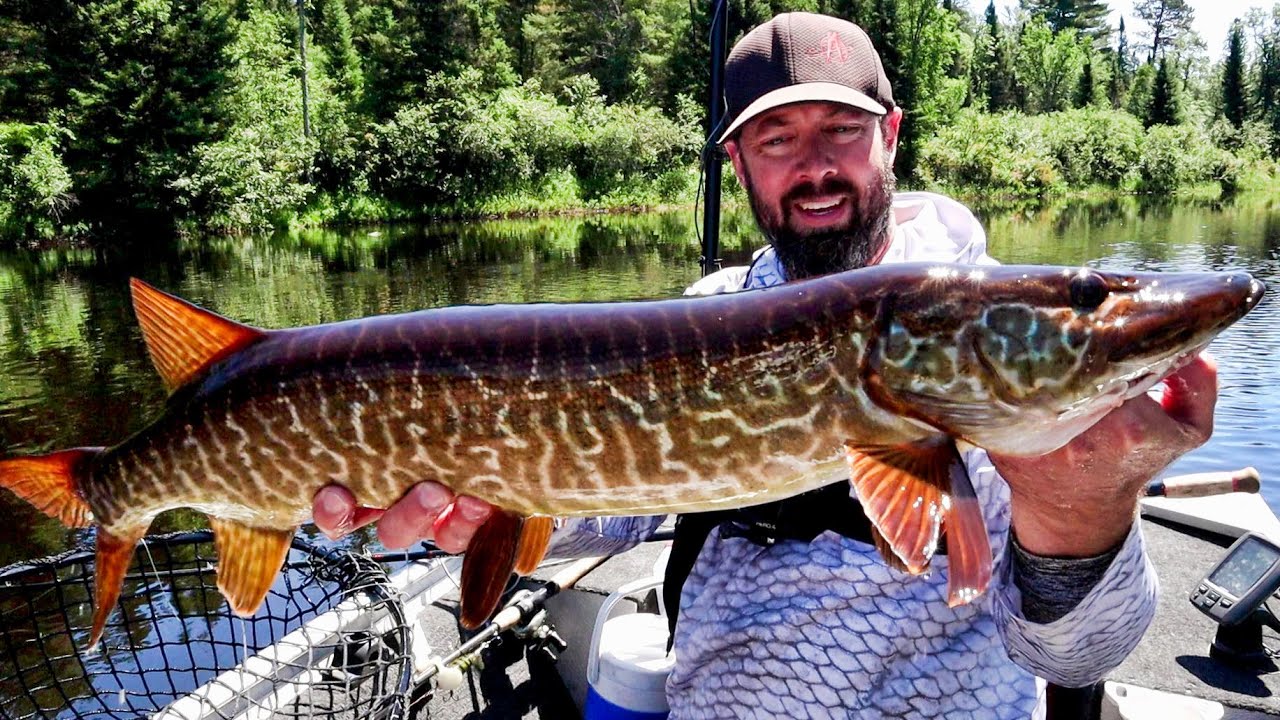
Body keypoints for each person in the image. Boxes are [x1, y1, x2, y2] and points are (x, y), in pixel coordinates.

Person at [313, 12, 1216, 717]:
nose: (814, 166)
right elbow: (617, 518)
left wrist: (1087, 507)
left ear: (891, 135)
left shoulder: (987, 347)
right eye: (777, 140)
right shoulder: (702, 320)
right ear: (737, 162)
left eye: (841, 130)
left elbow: (1077, 658)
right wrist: (490, 514)